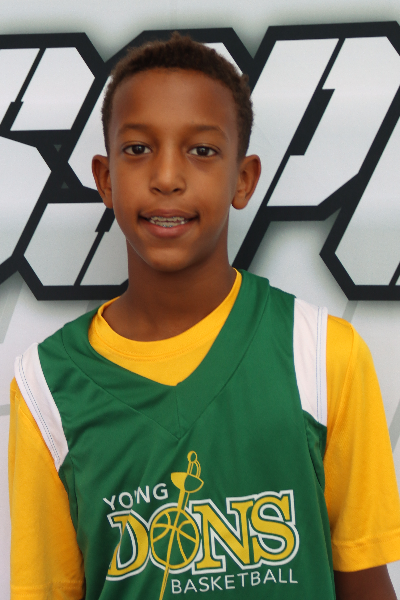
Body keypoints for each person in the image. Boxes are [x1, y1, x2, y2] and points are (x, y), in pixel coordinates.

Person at [8, 33, 400, 600]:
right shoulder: (46, 387)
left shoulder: (322, 356)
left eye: (202, 150)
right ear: (105, 179)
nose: (167, 176)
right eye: (138, 149)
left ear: (243, 179)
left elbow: (365, 583)